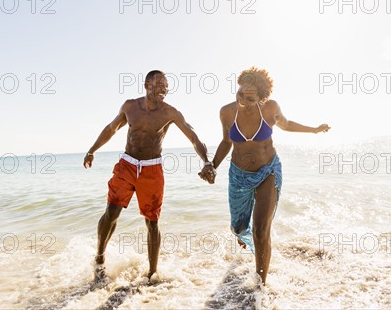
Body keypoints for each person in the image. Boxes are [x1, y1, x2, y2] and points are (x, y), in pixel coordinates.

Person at [199, 67, 330, 284]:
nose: (241, 100)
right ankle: (248, 244)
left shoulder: (270, 109)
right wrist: (212, 165)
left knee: (261, 230)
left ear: (262, 98)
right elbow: (226, 141)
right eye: (239, 93)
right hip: (239, 175)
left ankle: (260, 288)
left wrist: (314, 130)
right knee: (239, 228)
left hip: (268, 170)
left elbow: (286, 124)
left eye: (249, 98)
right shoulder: (226, 112)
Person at [84, 70, 215, 282]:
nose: (163, 89)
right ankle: (99, 258)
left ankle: (152, 274)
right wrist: (92, 150)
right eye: (159, 84)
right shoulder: (130, 107)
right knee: (111, 212)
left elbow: (193, 137)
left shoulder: (169, 113)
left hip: (152, 170)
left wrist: (207, 161)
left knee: (152, 223)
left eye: (166, 86)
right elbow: (111, 129)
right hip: (127, 165)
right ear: (147, 84)